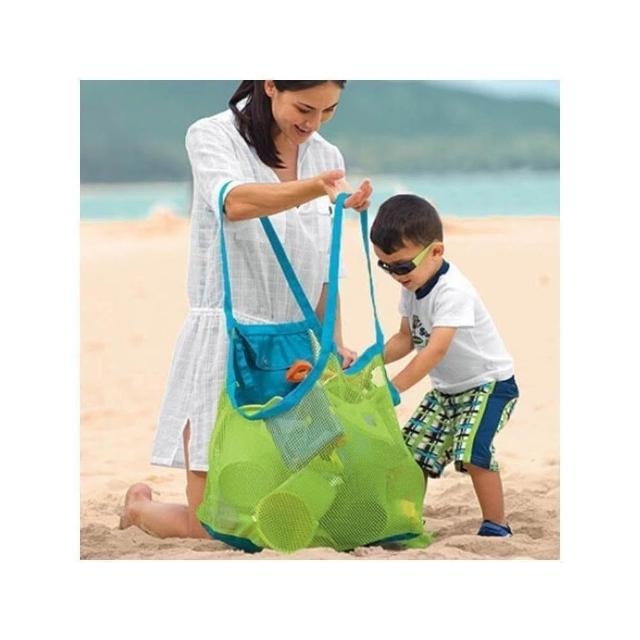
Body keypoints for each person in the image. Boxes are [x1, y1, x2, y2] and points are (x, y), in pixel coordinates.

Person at [119, 80, 372, 539]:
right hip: (228, 340)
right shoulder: (212, 135)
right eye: (304, 108)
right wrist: (314, 188)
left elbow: (324, 265)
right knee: (215, 527)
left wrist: (332, 342)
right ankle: (139, 508)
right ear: (270, 84)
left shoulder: (325, 156)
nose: (314, 124)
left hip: (297, 350)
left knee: (301, 513)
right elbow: (233, 202)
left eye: (329, 111)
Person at [370, 194, 519, 537]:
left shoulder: (453, 291)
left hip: (489, 386)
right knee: (412, 454)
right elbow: (405, 338)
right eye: (385, 266)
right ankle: (408, 520)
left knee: (473, 452)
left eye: (401, 266)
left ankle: (497, 524)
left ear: (436, 251)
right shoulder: (412, 286)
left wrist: (394, 388)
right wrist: (370, 362)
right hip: (447, 391)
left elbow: (435, 350)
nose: (395, 275)